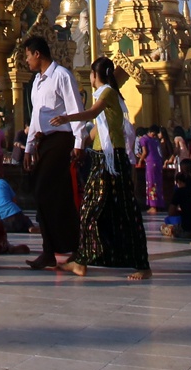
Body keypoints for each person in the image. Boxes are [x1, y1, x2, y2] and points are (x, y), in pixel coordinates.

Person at [49, 57, 150, 279]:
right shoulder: (104, 95)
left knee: (124, 209)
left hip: (113, 159)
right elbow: (96, 130)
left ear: (95, 75)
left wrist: (67, 117)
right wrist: (79, 146)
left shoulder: (107, 93)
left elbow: (92, 114)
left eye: (91, 75)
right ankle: (82, 260)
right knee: (89, 210)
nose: (90, 79)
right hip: (101, 158)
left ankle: (142, 265)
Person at [21, 34, 83, 271]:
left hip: (62, 138)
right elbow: (36, 117)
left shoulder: (61, 76)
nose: (26, 61)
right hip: (44, 140)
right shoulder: (37, 82)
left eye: (28, 55)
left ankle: (57, 249)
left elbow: (75, 109)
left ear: (38, 54)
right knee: (57, 194)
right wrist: (28, 148)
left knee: (43, 189)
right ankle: (60, 248)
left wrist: (79, 143)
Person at [136, 126, 165, 213]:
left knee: (151, 183)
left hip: (150, 163)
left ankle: (153, 206)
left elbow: (144, 152)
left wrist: (140, 161)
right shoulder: (155, 140)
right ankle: (159, 204)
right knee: (158, 183)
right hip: (158, 162)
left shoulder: (143, 139)